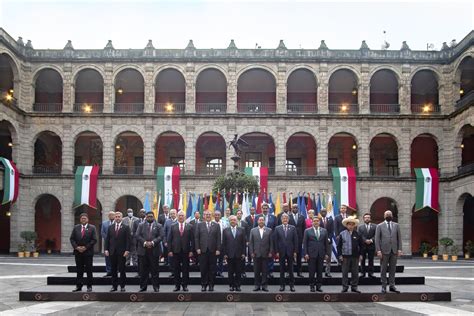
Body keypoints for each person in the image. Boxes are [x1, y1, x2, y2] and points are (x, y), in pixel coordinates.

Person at [375, 210, 402, 294]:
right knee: (383, 269)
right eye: (387, 214)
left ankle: (392, 286)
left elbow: (399, 238)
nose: (388, 215)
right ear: (384, 216)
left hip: (394, 250)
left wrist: (399, 249)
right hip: (384, 251)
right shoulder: (379, 226)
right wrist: (378, 250)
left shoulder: (396, 225)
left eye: (390, 214)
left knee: (392, 269)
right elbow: (377, 239)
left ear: (392, 215)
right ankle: (383, 286)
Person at [136, 211, 164, 292]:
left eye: (151, 216)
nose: (150, 218)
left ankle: (156, 287)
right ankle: (143, 287)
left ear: (154, 217)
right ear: (146, 217)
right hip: (143, 251)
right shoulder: (141, 225)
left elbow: (161, 236)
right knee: (143, 271)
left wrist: (152, 242)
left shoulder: (159, 225)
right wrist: (145, 242)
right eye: (148, 216)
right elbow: (137, 235)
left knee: (155, 270)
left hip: (154, 251)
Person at [70, 213, 97, 292]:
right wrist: (77, 247)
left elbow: (94, 240)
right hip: (78, 252)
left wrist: (85, 247)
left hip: (88, 252)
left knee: (89, 270)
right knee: (79, 270)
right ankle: (78, 286)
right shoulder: (76, 227)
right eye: (82, 218)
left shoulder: (92, 228)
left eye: (85, 218)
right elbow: (72, 239)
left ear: (87, 219)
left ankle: (89, 286)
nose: (83, 219)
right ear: (80, 219)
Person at [194, 210, 221, 292]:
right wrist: (197, 248)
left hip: (213, 251)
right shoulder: (199, 225)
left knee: (212, 269)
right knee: (203, 269)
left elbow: (219, 239)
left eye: (209, 214)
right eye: (206, 214)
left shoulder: (216, 225)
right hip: (202, 251)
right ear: (204, 216)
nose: (208, 216)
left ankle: (211, 285)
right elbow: (196, 238)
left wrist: (218, 249)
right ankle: (203, 285)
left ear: (212, 215)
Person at [104, 211, 131, 292]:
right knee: (113, 270)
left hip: (122, 252)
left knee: (122, 270)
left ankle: (122, 286)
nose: (117, 218)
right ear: (114, 218)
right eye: (116, 216)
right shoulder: (110, 227)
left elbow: (128, 240)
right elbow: (107, 239)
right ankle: (114, 286)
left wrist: (127, 250)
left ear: (121, 218)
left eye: (119, 216)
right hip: (112, 252)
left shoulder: (126, 227)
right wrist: (106, 249)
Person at [168, 210, 194, 292]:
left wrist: (191, 251)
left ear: (185, 217)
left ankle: (185, 285)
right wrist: (170, 250)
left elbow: (192, 240)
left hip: (186, 251)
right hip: (175, 251)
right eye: (179, 215)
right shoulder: (173, 226)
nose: (181, 217)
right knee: (176, 269)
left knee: (185, 269)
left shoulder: (190, 226)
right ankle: (177, 286)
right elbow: (169, 239)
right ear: (177, 216)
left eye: (182, 215)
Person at [303, 217, 330, 292]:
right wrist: (305, 253)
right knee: (312, 271)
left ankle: (319, 286)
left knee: (320, 271)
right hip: (311, 254)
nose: (316, 222)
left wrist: (327, 253)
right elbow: (305, 243)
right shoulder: (307, 231)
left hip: (321, 254)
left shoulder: (324, 231)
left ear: (319, 222)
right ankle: (312, 286)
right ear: (312, 222)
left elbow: (326, 244)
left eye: (317, 221)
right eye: (314, 221)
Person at [337, 216, 363, 293]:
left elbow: (362, 245)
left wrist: (361, 254)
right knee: (345, 273)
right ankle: (345, 287)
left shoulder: (357, 234)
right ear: (347, 225)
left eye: (352, 224)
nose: (351, 226)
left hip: (355, 257)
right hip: (345, 257)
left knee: (355, 273)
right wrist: (340, 255)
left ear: (354, 225)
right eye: (349, 224)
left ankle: (354, 287)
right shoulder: (342, 234)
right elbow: (339, 246)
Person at [273, 213, 298, 292]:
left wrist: (295, 251)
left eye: (286, 218)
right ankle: (282, 285)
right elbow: (275, 241)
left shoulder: (293, 228)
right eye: (283, 218)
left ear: (288, 219)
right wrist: (276, 251)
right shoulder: (277, 228)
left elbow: (295, 240)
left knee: (291, 270)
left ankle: (292, 285)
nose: (285, 220)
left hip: (290, 252)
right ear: (281, 220)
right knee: (282, 270)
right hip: (281, 252)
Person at [249, 216, 273, 292]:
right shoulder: (253, 230)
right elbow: (251, 243)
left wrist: (270, 252)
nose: (261, 221)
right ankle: (257, 285)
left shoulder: (269, 230)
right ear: (257, 221)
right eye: (260, 220)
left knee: (265, 271)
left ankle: (264, 286)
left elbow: (271, 243)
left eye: (263, 220)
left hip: (265, 254)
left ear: (264, 221)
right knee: (256, 271)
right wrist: (251, 252)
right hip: (256, 254)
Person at [222, 215, 246, 292]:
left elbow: (243, 243)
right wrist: (225, 254)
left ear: (236, 221)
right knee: (230, 272)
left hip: (239, 254)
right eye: (231, 220)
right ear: (229, 221)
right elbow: (224, 244)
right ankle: (231, 285)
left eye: (234, 220)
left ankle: (238, 285)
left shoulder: (242, 229)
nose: (233, 221)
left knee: (238, 271)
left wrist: (243, 253)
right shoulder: (225, 230)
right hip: (229, 254)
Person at [358, 212, 376, 278]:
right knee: (362, 260)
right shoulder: (360, 227)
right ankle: (362, 273)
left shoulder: (375, 226)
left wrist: (371, 240)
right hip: (363, 246)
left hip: (371, 245)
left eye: (368, 217)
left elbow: (376, 235)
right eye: (366, 218)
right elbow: (360, 235)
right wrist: (365, 240)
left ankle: (371, 273)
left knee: (371, 259)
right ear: (363, 219)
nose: (367, 219)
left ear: (370, 218)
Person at [289, 204, 305, 277]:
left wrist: (303, 239)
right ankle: (289, 272)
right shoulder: (288, 217)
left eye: (296, 208)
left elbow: (304, 229)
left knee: (299, 256)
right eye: (293, 207)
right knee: (290, 257)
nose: (295, 209)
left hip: (299, 240)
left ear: (298, 208)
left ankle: (299, 272)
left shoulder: (302, 217)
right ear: (291, 208)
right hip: (290, 240)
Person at [319, 208, 334, 277]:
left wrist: (329, 238)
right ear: (320, 212)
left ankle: (327, 272)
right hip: (320, 242)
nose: (324, 213)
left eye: (325, 211)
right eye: (322, 212)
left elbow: (331, 231)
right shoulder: (317, 220)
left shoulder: (330, 220)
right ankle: (320, 272)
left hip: (328, 242)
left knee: (328, 257)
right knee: (320, 257)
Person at [132, 209, 146, 277]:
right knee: (139, 259)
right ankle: (139, 272)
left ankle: (147, 272)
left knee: (147, 259)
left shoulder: (148, 221)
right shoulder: (136, 222)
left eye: (143, 212)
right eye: (141, 212)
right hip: (138, 243)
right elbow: (134, 232)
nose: (142, 213)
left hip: (147, 243)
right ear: (139, 213)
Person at [101, 211, 115, 277]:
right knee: (107, 258)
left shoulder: (117, 223)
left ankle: (115, 271)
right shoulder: (104, 223)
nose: (111, 216)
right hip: (107, 243)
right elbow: (102, 232)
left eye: (112, 215)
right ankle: (109, 271)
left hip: (115, 243)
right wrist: (108, 239)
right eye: (110, 215)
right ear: (108, 216)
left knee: (115, 257)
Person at [213, 211, 227, 277]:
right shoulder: (212, 223)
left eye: (218, 215)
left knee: (221, 259)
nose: (217, 216)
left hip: (222, 243)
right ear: (213, 215)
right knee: (214, 260)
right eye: (216, 215)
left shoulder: (224, 223)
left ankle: (220, 272)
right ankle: (214, 272)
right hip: (213, 244)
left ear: (220, 215)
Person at [236, 209, 249, 278]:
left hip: (243, 243)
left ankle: (243, 272)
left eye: (240, 213)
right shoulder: (233, 222)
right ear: (236, 214)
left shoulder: (245, 223)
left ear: (242, 214)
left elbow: (247, 233)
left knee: (243, 258)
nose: (239, 215)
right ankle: (237, 272)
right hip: (235, 243)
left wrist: (247, 241)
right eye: (238, 213)